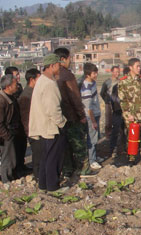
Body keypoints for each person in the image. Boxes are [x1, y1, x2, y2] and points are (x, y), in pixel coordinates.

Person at [29, 54, 66, 192]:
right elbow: (53, 108)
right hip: (51, 127)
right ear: (52, 66)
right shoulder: (49, 84)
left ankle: (43, 184)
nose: (59, 68)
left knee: (46, 157)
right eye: (58, 65)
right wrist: (62, 123)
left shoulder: (42, 80)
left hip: (43, 125)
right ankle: (52, 186)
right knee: (53, 158)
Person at [54, 47, 92, 178]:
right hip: (71, 116)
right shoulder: (67, 75)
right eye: (70, 58)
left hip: (59, 117)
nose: (71, 61)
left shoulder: (53, 75)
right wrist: (81, 115)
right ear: (63, 59)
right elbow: (75, 97)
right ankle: (84, 170)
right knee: (78, 144)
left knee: (65, 146)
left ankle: (67, 170)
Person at [18, 68, 41, 180]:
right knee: (37, 155)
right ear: (32, 80)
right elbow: (25, 117)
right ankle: (38, 176)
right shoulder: (26, 95)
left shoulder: (33, 92)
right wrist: (30, 132)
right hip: (33, 130)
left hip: (36, 128)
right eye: (39, 78)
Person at [81, 63, 102, 170]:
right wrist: (93, 121)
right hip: (91, 116)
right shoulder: (86, 88)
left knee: (95, 137)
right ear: (87, 74)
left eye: (96, 72)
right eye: (94, 73)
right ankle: (92, 161)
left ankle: (94, 157)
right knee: (92, 139)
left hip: (96, 114)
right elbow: (88, 108)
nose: (96, 75)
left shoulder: (92, 83)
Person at [0, 75, 18, 183]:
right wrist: (7, 136)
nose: (17, 87)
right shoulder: (2, 100)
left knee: (10, 157)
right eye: (15, 85)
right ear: (8, 86)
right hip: (4, 135)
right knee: (6, 157)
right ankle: (5, 179)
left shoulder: (10, 97)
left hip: (8, 132)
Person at [109, 67, 128, 160]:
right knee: (116, 131)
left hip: (128, 113)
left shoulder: (131, 86)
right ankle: (113, 150)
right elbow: (113, 99)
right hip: (118, 112)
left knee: (126, 131)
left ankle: (126, 148)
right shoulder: (117, 86)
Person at [100, 65, 120, 139]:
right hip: (109, 104)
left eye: (118, 72)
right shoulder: (107, 82)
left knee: (117, 120)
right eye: (115, 72)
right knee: (108, 120)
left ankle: (117, 134)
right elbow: (102, 92)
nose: (117, 73)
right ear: (112, 72)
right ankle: (108, 135)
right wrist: (106, 101)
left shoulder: (120, 81)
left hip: (117, 104)